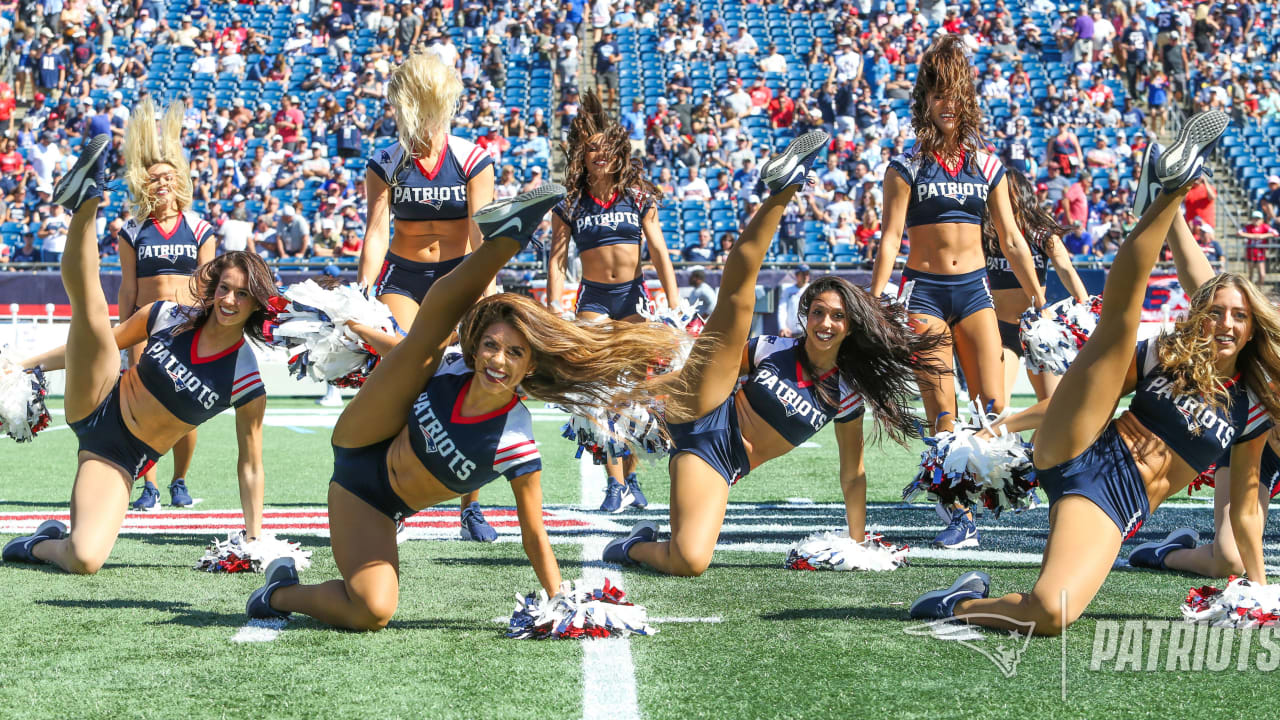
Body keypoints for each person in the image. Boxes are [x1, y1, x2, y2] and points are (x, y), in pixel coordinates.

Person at [244, 186, 691, 629]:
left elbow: (533, 532)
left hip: (370, 502)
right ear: (478, 348)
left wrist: (558, 598)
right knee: (428, 343)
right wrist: (352, 324)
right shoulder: (456, 366)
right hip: (365, 438)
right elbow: (403, 349)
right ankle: (505, 239)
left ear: (530, 366)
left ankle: (279, 590)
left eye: (515, 354)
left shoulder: (515, 440)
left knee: (373, 611)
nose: (498, 360)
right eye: (491, 346)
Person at [909, 111, 1280, 635]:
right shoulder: (1168, 353)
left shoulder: (1251, 406)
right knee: (1119, 323)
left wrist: (1259, 587)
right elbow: (1079, 401)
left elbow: (1244, 508)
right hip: (1082, 446)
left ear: (1251, 329)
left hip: (1114, 499)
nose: (1226, 322)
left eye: (1239, 315)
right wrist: (1005, 425)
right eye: (1217, 310)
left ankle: (960, 602)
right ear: (1201, 315)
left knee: (1051, 614)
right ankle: (1170, 187)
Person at [602, 131, 948, 576]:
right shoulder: (772, 348)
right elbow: (702, 374)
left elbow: (853, 473)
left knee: (689, 560)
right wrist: (640, 393)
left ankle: (634, 547)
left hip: (721, 460)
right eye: (818, 313)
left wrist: (858, 542)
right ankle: (783, 188)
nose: (826, 323)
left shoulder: (844, 394)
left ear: (850, 326)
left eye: (837, 317)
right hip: (706, 411)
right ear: (806, 316)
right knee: (737, 300)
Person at [3, 136, 270, 575]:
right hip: (100, 399)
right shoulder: (167, 315)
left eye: (241, 295)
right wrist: (26, 365)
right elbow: (96, 344)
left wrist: (254, 537)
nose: (228, 301)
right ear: (213, 287)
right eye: (223, 289)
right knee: (89, 305)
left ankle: (39, 545)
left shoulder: (245, 377)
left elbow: (251, 463)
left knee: (84, 558)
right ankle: (85, 200)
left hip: (119, 456)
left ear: (256, 304)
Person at [869, 35, 1046, 550]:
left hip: (974, 293)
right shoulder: (906, 166)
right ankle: (958, 515)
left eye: (957, 93)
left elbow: (1011, 238)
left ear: (968, 100)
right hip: (924, 294)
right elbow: (889, 239)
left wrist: (1037, 296)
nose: (949, 103)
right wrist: (875, 301)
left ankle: (1003, 483)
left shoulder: (989, 165)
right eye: (939, 92)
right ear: (924, 98)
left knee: (993, 406)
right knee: (941, 413)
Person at [357, 51, 499, 542]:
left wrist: (491, 287)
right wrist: (362, 292)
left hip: (460, 273)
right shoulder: (386, 160)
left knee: (476, 380)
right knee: (405, 369)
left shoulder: (471, 158)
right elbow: (376, 232)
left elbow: (483, 233)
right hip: (405, 275)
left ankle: (470, 506)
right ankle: (391, 496)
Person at [546, 90, 679, 513]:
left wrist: (673, 308)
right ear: (580, 157)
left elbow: (658, 251)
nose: (599, 155)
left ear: (619, 151)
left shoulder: (638, 196)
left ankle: (632, 477)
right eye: (590, 150)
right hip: (595, 300)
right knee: (596, 392)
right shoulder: (569, 203)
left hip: (634, 299)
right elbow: (557, 259)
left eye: (605, 148)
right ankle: (615, 484)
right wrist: (554, 308)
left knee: (633, 396)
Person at [114, 99, 217, 511]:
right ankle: (150, 487)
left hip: (187, 328)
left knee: (185, 410)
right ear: (144, 183)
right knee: (141, 409)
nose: (162, 183)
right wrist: (123, 336)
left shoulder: (199, 226)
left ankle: (179, 481)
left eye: (169, 177)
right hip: (143, 326)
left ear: (180, 182)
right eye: (155, 178)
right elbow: (126, 288)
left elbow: (209, 283)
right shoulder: (133, 229)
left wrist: (209, 327)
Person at [985, 168, 1089, 405]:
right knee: (996, 403)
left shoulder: (1041, 228)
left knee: (1052, 404)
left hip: (1037, 327)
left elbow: (1065, 268)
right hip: (1002, 331)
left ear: (1018, 193)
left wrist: (1086, 305)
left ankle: (1037, 444)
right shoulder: (987, 228)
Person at [1241, 210, 1277, 285]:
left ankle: (1258, 288)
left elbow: (1275, 233)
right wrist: (1253, 236)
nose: (1256, 220)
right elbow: (1239, 233)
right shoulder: (1248, 227)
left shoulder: (1265, 226)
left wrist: (1263, 236)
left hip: (1260, 254)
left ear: (1262, 220)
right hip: (1250, 254)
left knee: (1262, 275)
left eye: (1258, 218)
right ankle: (1250, 291)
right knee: (1250, 275)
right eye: (1254, 218)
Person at [775, 264, 811, 338]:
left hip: (807, 333)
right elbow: (782, 309)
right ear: (797, 275)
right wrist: (783, 327)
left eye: (807, 273)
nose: (806, 276)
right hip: (790, 333)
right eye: (803, 274)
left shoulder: (812, 290)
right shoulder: (787, 290)